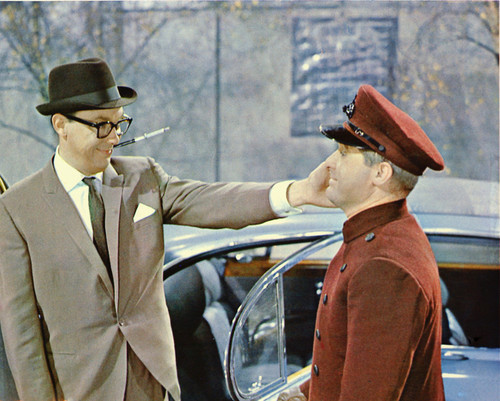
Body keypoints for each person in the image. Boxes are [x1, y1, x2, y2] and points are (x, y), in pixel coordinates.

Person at [0, 58, 332, 401]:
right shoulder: (16, 209)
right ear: (61, 125)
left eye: (119, 123)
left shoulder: (142, 177)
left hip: (150, 384)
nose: (114, 136)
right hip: (77, 391)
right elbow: (21, 334)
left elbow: (210, 200)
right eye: (101, 126)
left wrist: (298, 192)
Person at [278, 84, 446, 401]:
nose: (329, 164)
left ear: (380, 174)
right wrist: (304, 394)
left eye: (344, 154)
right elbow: (348, 362)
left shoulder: (384, 267)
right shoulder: (381, 235)